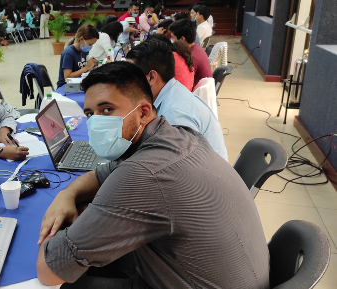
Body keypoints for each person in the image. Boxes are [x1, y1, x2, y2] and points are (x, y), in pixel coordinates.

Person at [35, 61, 269, 289]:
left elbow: (48, 272)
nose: (96, 123)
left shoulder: (142, 175)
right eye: (90, 114)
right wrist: (66, 195)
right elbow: (101, 174)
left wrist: (52, 225)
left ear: (144, 112)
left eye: (107, 110)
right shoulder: (181, 136)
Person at [126, 40, 227, 160]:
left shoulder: (174, 114)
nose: (125, 83)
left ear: (151, 77)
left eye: (129, 76)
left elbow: (176, 168)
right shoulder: (173, 92)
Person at [169, 19, 212, 88]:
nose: (171, 40)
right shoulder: (197, 48)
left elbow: (183, 84)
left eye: (173, 37)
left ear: (182, 39)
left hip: (195, 94)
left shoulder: (191, 57)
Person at [56, 24, 99, 88]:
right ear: (81, 39)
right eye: (90, 44)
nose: (91, 47)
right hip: (66, 87)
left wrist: (91, 64)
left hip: (77, 83)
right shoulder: (69, 53)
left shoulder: (83, 51)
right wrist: (86, 68)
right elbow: (67, 76)